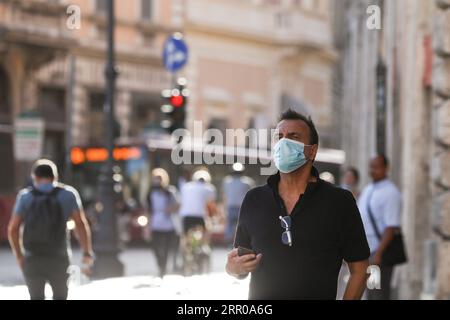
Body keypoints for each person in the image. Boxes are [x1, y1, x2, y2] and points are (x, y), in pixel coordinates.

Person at [226, 109, 370, 300]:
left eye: (293, 137)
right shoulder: (254, 199)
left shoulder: (339, 202)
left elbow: (360, 270)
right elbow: (241, 264)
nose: (284, 143)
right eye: (279, 137)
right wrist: (232, 268)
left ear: (312, 150)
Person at [7, 159, 93, 300]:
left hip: (32, 258)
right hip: (59, 257)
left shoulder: (25, 197)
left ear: (34, 177)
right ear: (55, 177)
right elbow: (80, 224)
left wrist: (19, 255)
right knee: (60, 296)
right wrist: (86, 252)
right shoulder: (68, 194)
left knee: (36, 297)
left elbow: (13, 228)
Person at [358, 155, 402, 300]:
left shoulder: (391, 192)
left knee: (377, 294)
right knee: (370, 292)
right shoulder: (369, 188)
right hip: (367, 252)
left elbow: (391, 227)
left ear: (386, 168)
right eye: (371, 166)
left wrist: (378, 254)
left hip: (378, 253)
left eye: (376, 167)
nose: (372, 170)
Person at [148, 168, 179, 278]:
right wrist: (147, 227)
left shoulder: (169, 192)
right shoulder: (150, 193)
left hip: (167, 224)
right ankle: (160, 265)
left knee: (166, 248)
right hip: (155, 223)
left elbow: (178, 205)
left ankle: (163, 269)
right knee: (155, 247)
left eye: (159, 178)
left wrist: (170, 208)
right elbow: (148, 210)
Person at [222, 164, 254, 245]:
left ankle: (230, 244)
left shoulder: (227, 181)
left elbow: (225, 196)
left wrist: (224, 209)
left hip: (231, 208)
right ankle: (240, 244)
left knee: (230, 227)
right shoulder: (247, 182)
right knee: (242, 227)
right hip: (242, 208)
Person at [179, 169, 217, 234]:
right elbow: (211, 203)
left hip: (186, 215)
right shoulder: (210, 188)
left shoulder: (186, 186)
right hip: (200, 215)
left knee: (186, 236)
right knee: (204, 234)